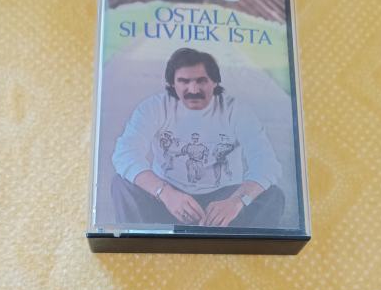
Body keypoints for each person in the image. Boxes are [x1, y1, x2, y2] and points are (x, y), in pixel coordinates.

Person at [111, 47, 284, 228]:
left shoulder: (237, 111)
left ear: (215, 82)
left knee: (272, 196)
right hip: (168, 197)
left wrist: (237, 201)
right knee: (122, 184)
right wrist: (165, 193)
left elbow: (266, 164)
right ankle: (144, 241)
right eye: (183, 81)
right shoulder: (153, 108)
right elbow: (125, 154)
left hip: (224, 199)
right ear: (172, 83)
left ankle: (231, 241)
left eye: (201, 81)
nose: (193, 89)